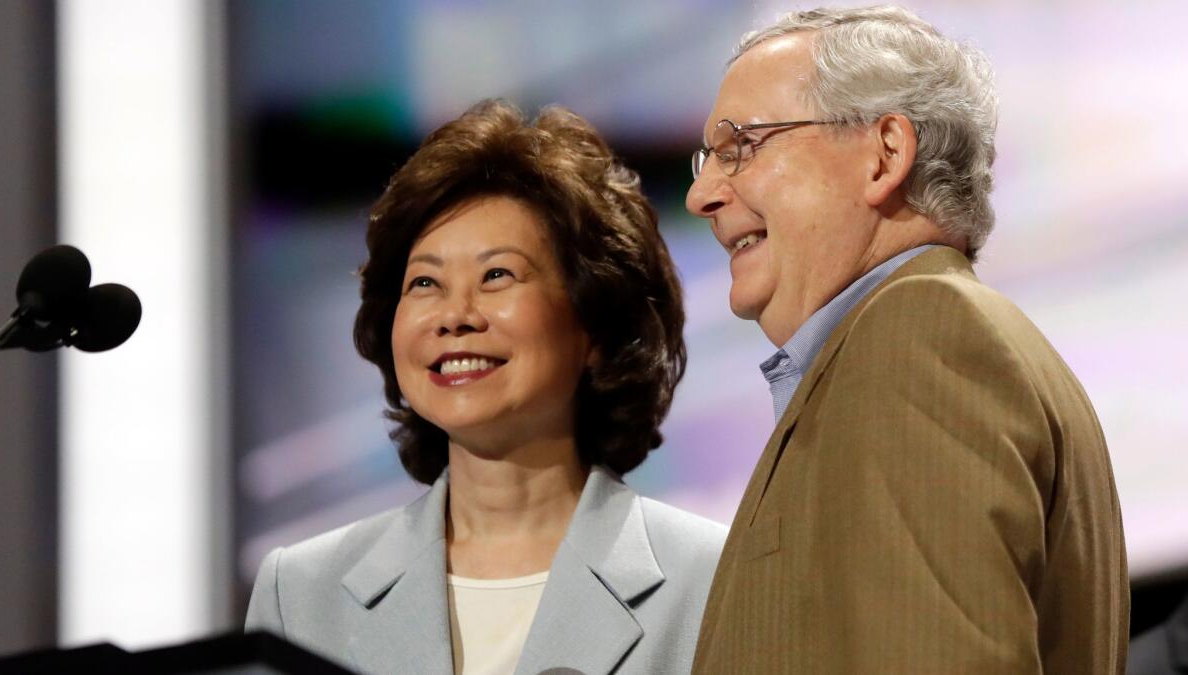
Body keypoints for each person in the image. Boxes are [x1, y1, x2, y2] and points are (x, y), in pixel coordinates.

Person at [684, 6, 1128, 674]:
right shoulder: (926, 339)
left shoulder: (921, 337)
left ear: (884, 153)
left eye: (739, 146)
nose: (702, 194)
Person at [245, 100, 727, 674]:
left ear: (595, 324)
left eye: (497, 275)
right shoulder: (299, 593)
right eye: (424, 282)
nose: (455, 316)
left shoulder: (711, 577)